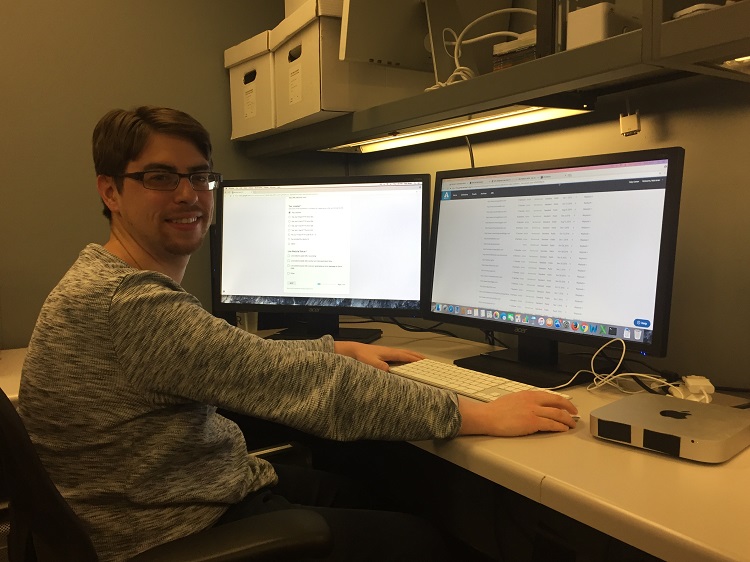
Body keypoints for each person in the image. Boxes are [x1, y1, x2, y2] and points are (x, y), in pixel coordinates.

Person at [19, 106, 578, 561]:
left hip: (173, 494)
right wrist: (480, 415)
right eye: (161, 178)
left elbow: (235, 357)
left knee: (371, 489)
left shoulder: (106, 280)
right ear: (111, 191)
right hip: (168, 531)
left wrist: (332, 346)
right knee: (424, 540)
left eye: (199, 176)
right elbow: (317, 389)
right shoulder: (133, 304)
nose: (188, 194)